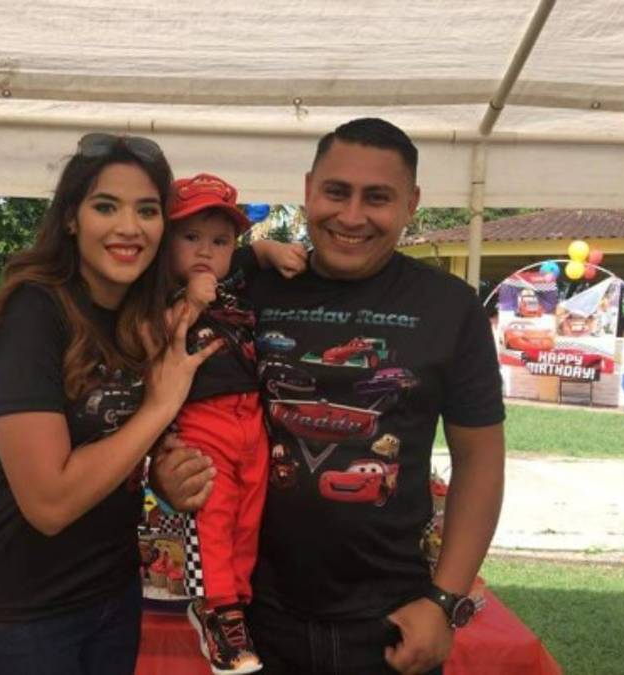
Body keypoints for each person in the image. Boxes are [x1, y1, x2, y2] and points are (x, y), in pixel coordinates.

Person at [152, 118, 506, 675]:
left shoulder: (450, 306)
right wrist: (165, 470)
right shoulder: (243, 287)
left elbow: (480, 458)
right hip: (257, 617)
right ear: (308, 189)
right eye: (336, 192)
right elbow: (168, 386)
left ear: (412, 203)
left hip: (393, 621)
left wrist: (445, 600)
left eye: (378, 197)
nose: (351, 215)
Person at [0, 133, 221, 675]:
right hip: (13, 613)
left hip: (110, 595)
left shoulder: (145, 315)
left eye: (147, 210)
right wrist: (158, 407)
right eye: (106, 206)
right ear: (71, 218)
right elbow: (50, 503)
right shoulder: (34, 312)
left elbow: (118, 450)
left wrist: (163, 476)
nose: (129, 227)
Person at [162, 173, 306, 674]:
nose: (206, 250)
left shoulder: (234, 273)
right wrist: (192, 301)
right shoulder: (159, 288)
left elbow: (253, 253)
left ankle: (235, 607)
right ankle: (215, 608)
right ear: (165, 241)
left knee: (249, 516)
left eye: (220, 241)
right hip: (201, 419)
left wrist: (271, 251)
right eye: (191, 237)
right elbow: (153, 339)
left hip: (252, 417)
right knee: (213, 515)